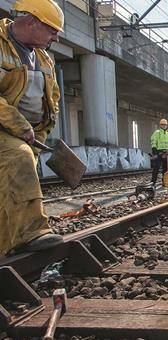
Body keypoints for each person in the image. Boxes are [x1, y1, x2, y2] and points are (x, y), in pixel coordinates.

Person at [0, 0, 65, 255]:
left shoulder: (43, 58)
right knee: (19, 156)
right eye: (52, 30)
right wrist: (19, 125)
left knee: (10, 188)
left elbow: (53, 97)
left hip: (28, 134)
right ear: (31, 22)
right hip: (7, 129)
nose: (56, 38)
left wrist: (41, 131)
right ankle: (31, 232)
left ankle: (8, 248)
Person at [150, 118, 168, 185]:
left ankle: (165, 182)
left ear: (167, 125)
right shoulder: (157, 133)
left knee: (166, 169)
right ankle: (153, 182)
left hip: (167, 153)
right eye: (162, 125)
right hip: (159, 152)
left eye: (165, 125)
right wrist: (154, 149)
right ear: (160, 125)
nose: (164, 126)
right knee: (156, 168)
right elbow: (153, 140)